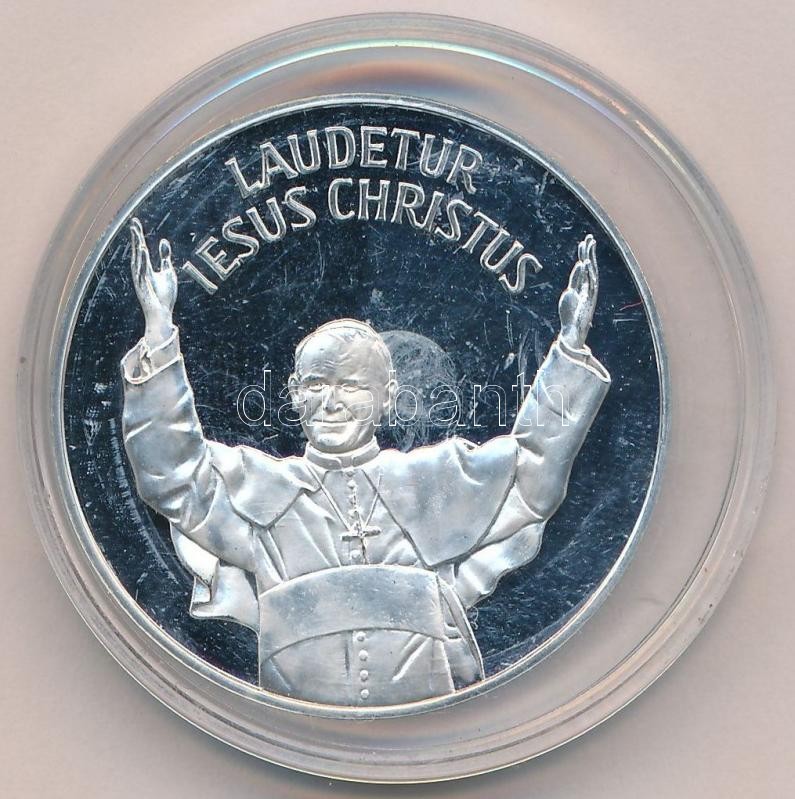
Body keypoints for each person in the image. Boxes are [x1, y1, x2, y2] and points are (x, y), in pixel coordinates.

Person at [121, 219, 610, 706]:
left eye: (352, 386)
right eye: (316, 385)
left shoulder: (432, 481)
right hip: (287, 723)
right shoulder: (256, 486)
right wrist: (160, 332)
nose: (331, 402)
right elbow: (174, 476)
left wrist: (569, 349)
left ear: (387, 397)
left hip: (437, 718)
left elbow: (528, 476)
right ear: (293, 394)